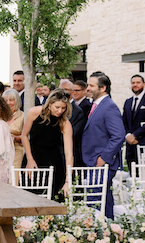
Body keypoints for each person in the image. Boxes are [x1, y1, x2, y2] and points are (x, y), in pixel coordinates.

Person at [82, 72, 126, 219]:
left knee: (95, 201)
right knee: (104, 199)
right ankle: (109, 232)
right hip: (94, 161)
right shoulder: (96, 105)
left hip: (101, 163)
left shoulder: (109, 107)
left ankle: (98, 234)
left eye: (91, 85)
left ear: (103, 88)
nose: (88, 88)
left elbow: (119, 135)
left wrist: (104, 158)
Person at [21, 89, 74, 197]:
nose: (60, 111)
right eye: (57, 107)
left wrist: (68, 181)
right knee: (28, 197)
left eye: (63, 108)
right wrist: (30, 159)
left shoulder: (65, 123)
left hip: (54, 163)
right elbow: (24, 135)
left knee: (53, 199)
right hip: (33, 160)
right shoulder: (34, 112)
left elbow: (69, 154)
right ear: (49, 104)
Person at [60, 79, 86, 173]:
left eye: (65, 89)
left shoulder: (77, 111)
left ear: (72, 92)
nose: (62, 92)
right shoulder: (54, 109)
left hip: (70, 154)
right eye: (61, 89)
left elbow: (74, 134)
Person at [123, 74, 145, 170]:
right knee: (132, 175)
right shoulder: (128, 102)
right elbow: (124, 121)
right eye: (133, 83)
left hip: (143, 143)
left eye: (138, 82)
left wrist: (135, 135)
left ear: (144, 84)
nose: (135, 85)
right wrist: (128, 135)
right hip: (130, 145)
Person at [3, 87, 25, 173]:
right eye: (5, 100)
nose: (8, 103)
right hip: (0, 153)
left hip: (16, 152)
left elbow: (27, 137)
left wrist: (15, 138)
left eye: (11, 100)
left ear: (17, 101)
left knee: (13, 180)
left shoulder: (23, 116)